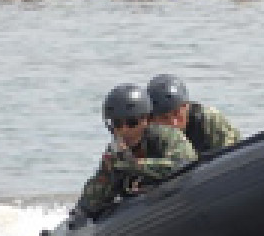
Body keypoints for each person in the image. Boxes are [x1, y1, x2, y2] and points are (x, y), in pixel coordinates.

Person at [71, 84, 197, 221]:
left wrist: (133, 165)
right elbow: (95, 196)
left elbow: (183, 165)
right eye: (117, 124)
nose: (124, 130)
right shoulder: (115, 153)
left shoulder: (167, 136)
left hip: (178, 199)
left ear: (146, 120)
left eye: (132, 123)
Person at [147, 74, 241, 154]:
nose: (174, 123)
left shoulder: (208, 120)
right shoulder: (141, 131)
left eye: (177, 114)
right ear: (152, 119)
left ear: (187, 107)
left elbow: (233, 156)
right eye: (164, 118)